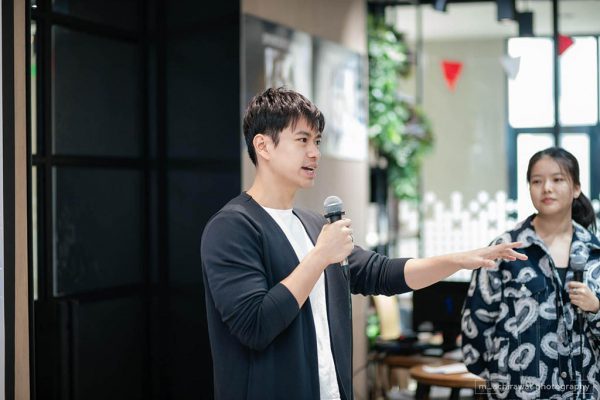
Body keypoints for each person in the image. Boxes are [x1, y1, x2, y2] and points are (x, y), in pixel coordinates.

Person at [201, 87, 526, 400]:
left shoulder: (313, 225)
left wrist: (458, 260)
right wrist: (320, 256)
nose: (314, 152)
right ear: (263, 146)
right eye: (302, 140)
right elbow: (256, 325)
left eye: (317, 141)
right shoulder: (232, 227)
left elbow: (381, 273)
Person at [461, 147, 600, 400]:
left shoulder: (595, 253)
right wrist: (503, 376)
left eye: (558, 179)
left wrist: (596, 309)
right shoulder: (505, 250)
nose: (547, 188)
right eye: (537, 181)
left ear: (576, 188)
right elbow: (476, 326)